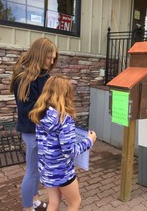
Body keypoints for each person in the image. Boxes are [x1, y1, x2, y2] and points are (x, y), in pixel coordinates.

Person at [29, 76, 97, 211]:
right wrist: (89, 141)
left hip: (46, 169)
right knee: (74, 203)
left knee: (53, 203)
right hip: (62, 171)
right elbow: (69, 151)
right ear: (65, 94)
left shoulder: (40, 114)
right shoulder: (64, 119)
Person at [9, 37, 58, 211]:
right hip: (32, 131)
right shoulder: (25, 78)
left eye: (53, 58)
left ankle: (35, 201)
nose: (51, 62)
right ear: (39, 55)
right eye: (48, 58)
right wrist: (52, 107)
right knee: (32, 171)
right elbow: (27, 109)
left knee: (37, 169)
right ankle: (27, 207)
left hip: (42, 130)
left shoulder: (44, 74)